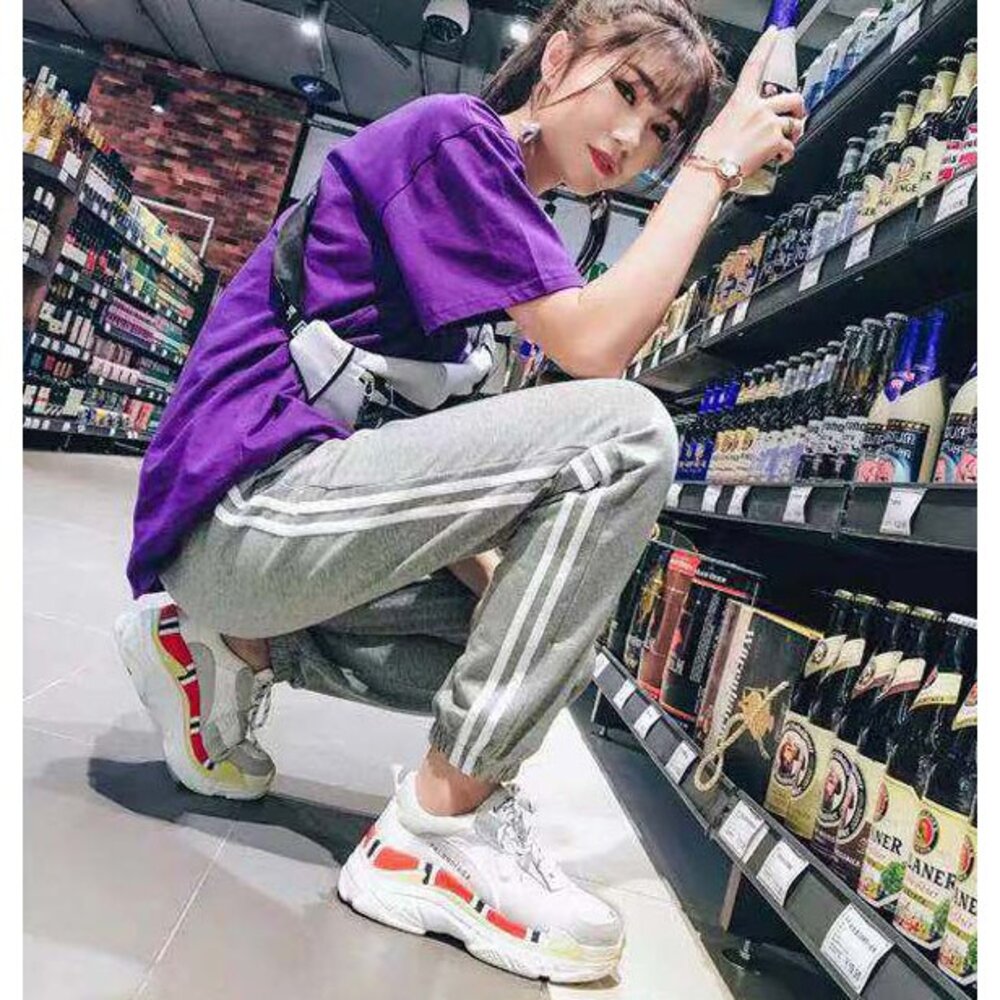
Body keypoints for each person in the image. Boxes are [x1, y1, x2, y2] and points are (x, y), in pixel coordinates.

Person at [116, 0, 803, 983]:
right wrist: (710, 168)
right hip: (240, 515)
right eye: (624, 90)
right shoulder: (456, 140)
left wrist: (529, 611)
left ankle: (224, 647)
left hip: (283, 538)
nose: (630, 139)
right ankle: (436, 828)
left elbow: (414, 454)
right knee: (627, 436)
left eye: (661, 131)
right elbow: (596, 347)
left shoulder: (502, 218)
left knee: (548, 649)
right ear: (556, 58)